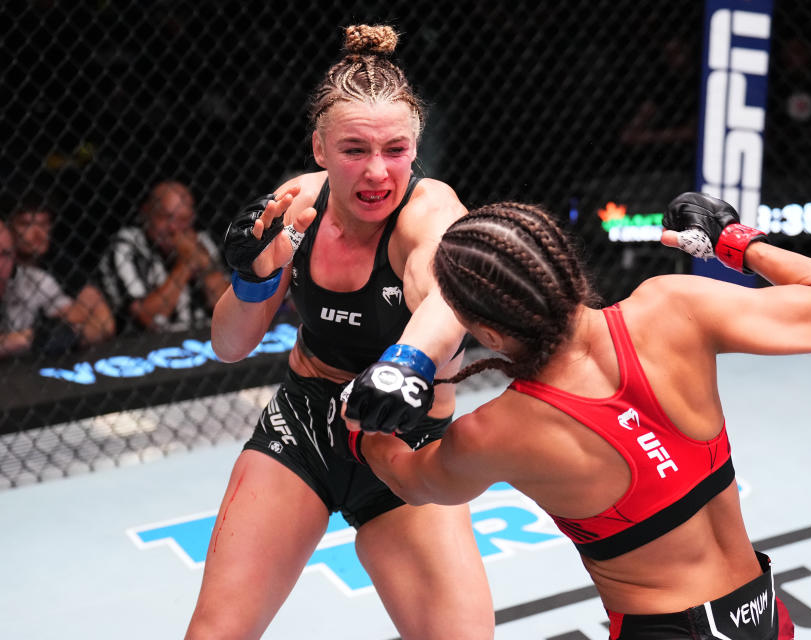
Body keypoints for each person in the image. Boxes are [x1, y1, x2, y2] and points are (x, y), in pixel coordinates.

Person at [342, 195, 811, 640]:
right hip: (763, 615)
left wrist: (362, 411)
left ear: (486, 332)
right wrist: (734, 243)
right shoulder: (672, 306)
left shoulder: (501, 430)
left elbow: (409, 480)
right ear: (565, 265)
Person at [184, 25, 494, 640]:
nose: (378, 172)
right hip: (304, 428)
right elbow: (229, 344)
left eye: (396, 150)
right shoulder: (296, 206)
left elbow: (447, 299)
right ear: (321, 149)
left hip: (404, 445)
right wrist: (249, 280)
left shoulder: (430, 210)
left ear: (416, 149)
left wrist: (405, 360)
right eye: (355, 150)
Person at [98, 180, 230, 333]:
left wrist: (205, 267)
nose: (173, 228)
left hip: (205, 338)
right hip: (145, 347)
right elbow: (147, 317)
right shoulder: (127, 246)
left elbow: (230, 309)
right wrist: (186, 264)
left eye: (182, 220)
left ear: (192, 218)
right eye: (165, 217)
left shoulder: (201, 241)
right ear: (146, 213)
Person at [0, 218, 114, 359]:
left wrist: (70, 333)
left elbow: (100, 325)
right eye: (26, 224)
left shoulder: (33, 280)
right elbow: (27, 339)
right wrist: (27, 339)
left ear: (14, 256)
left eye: (5, 254)